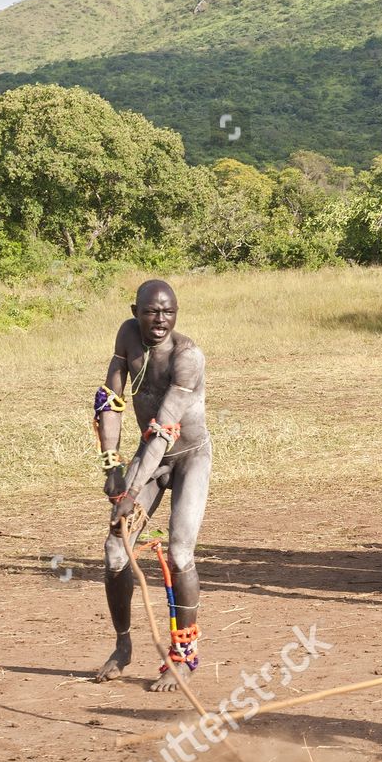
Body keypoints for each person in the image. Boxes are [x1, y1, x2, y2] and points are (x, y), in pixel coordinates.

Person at [94, 280, 213, 692]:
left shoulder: (187, 357)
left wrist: (129, 492)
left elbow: (163, 430)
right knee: (114, 552)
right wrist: (111, 463)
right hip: (149, 456)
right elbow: (110, 399)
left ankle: (183, 655)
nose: (160, 320)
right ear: (135, 311)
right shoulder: (127, 336)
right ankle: (123, 646)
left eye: (168, 312)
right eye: (151, 312)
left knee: (180, 555)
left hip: (188, 457)